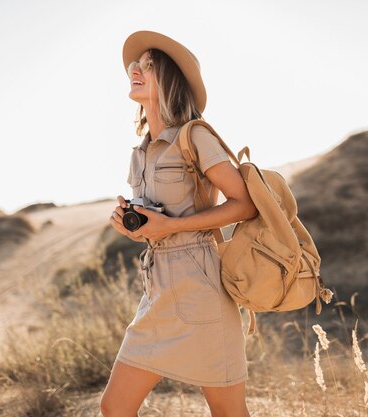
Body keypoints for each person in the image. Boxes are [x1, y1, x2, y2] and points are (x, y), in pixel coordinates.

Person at [101, 30, 258, 417]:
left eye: (149, 66)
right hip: (156, 291)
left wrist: (170, 228)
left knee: (229, 414)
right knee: (114, 407)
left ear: (170, 80)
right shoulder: (139, 153)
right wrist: (131, 226)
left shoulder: (195, 136)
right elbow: (157, 223)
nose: (135, 70)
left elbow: (246, 204)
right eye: (135, 65)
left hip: (202, 286)